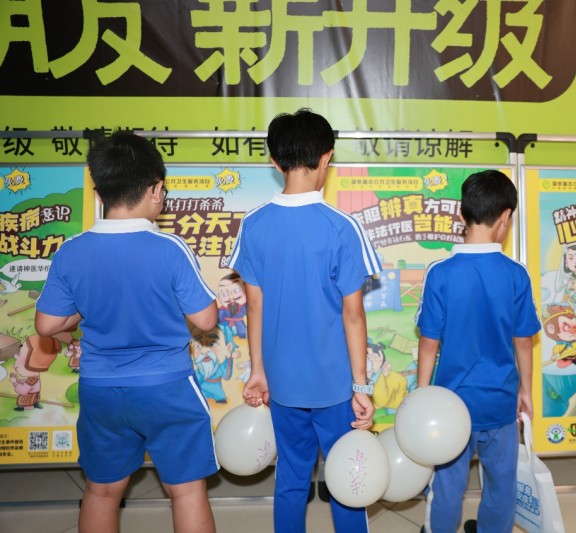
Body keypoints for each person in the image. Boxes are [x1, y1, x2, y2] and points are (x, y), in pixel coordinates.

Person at [34, 132, 219, 533]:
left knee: (102, 491)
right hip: (167, 386)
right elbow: (206, 320)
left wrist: (81, 312)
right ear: (156, 189)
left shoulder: (71, 250)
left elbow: (46, 325)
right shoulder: (169, 248)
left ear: (99, 193)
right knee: (186, 491)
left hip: (100, 389)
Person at [229, 109, 381, 533]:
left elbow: (253, 307)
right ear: (327, 157)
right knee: (349, 478)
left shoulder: (254, 224)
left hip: (283, 384)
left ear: (274, 161)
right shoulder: (342, 227)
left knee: (291, 478)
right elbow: (353, 315)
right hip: (335, 386)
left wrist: (258, 371)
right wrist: (361, 386)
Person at [415, 170, 541, 533]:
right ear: (505, 217)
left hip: (451, 405)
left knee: (447, 484)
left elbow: (428, 343)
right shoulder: (516, 273)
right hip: (500, 401)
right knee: (502, 482)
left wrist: (423, 395)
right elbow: (523, 341)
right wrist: (526, 391)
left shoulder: (440, 272)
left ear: (461, 214)